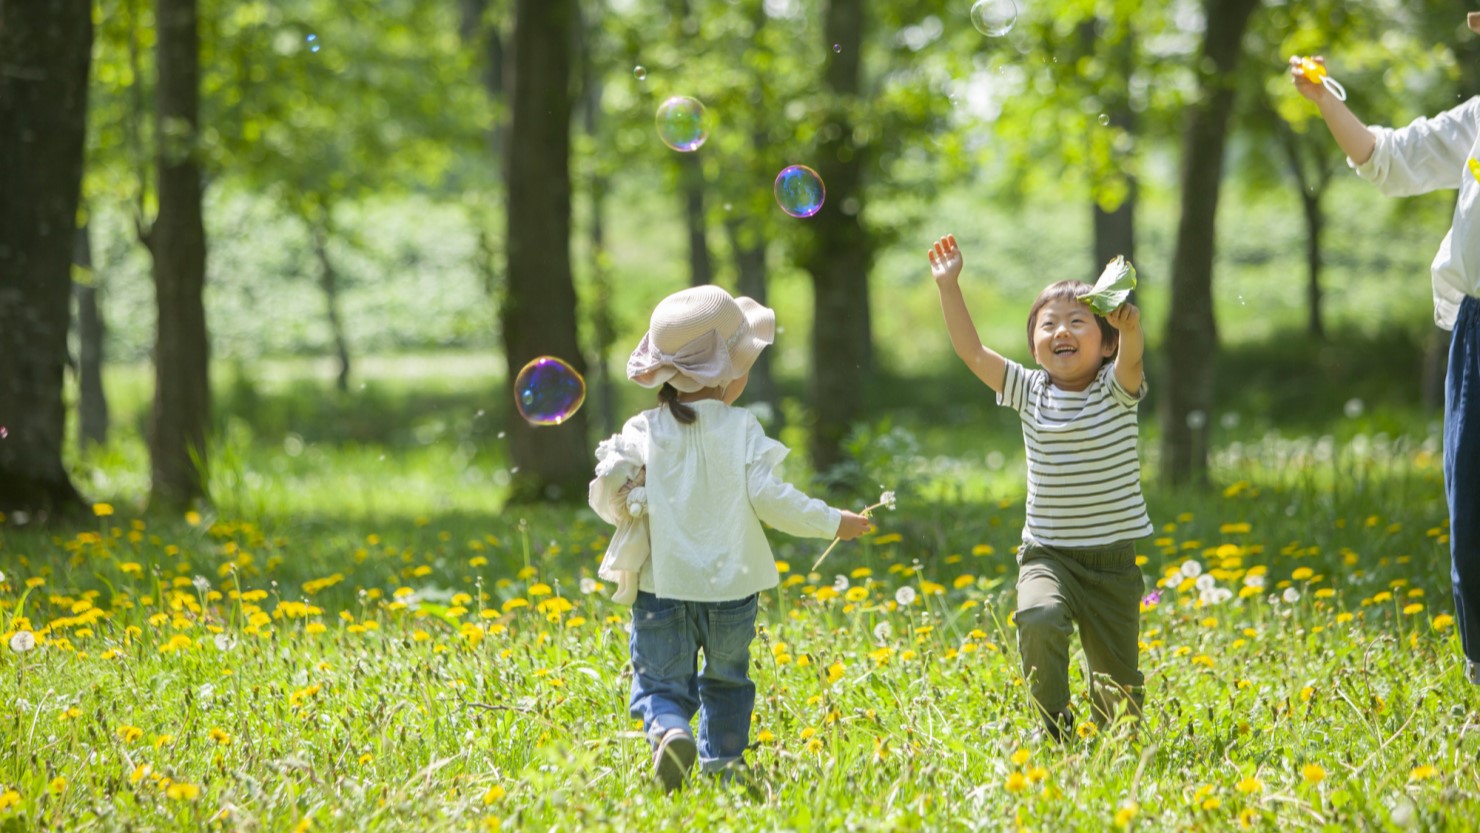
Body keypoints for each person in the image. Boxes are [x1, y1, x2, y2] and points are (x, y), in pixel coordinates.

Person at [588, 284, 874, 791]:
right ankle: (723, 763)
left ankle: (670, 729)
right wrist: (834, 521)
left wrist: (626, 490)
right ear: (729, 374)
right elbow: (772, 500)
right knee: (727, 681)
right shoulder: (742, 428)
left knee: (659, 682)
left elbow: (609, 497)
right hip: (732, 592)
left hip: (662, 587)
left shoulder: (643, 428)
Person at [1290, 37, 1480, 687]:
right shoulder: (1478, 119)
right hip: (1478, 329)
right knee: (1473, 510)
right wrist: (1324, 101)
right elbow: (1388, 159)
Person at [927, 234, 1154, 739]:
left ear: (1107, 342)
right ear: (1033, 345)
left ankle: (1111, 730)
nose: (1061, 331)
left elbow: (1134, 360)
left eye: (1077, 322)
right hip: (1048, 554)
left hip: (1113, 565)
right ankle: (1054, 725)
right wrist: (949, 287)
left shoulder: (1115, 389)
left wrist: (1132, 327)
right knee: (1039, 616)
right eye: (1047, 324)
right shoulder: (1029, 390)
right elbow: (971, 352)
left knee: (1120, 716)